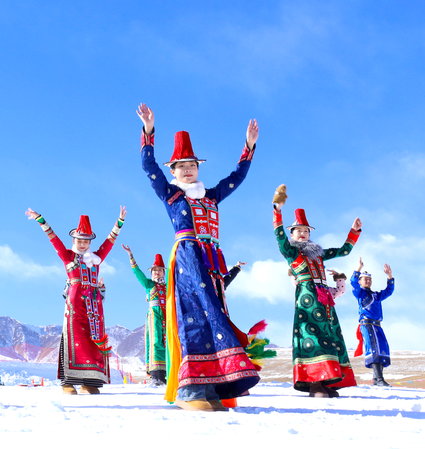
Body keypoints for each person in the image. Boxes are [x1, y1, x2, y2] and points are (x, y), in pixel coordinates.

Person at [137, 103, 260, 411]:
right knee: (194, 318)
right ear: (173, 170)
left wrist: (248, 147)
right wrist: (149, 132)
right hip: (187, 261)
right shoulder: (172, 195)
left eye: (192, 164)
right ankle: (191, 391)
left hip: (211, 262)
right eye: (181, 165)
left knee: (214, 318)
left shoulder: (212, 196)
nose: (188, 169)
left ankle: (215, 388)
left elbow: (237, 177)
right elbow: (148, 167)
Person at [26, 207, 126, 394]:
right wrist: (41, 220)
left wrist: (119, 222)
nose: (82, 244)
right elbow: (53, 240)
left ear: (89, 242)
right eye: (79, 240)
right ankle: (68, 382)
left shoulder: (96, 259)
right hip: (76, 303)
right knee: (74, 339)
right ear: (74, 240)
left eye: (86, 241)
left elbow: (109, 242)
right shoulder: (68, 256)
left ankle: (90, 382)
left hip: (94, 307)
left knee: (92, 340)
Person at [273, 202, 362, 398]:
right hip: (308, 298)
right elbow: (279, 238)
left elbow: (344, 251)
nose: (303, 233)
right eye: (298, 230)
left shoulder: (319, 254)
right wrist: (277, 213)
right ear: (292, 233)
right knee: (311, 337)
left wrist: (354, 232)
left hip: (324, 299)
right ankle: (313, 383)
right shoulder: (291, 252)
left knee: (330, 336)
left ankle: (327, 381)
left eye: (306, 230)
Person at [121, 244, 167, 386]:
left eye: (159, 270)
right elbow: (138, 273)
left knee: (167, 342)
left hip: (167, 316)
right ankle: (155, 374)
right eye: (154, 271)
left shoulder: (168, 286)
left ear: (164, 272)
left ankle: (166, 373)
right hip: (154, 315)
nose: (156, 273)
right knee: (156, 341)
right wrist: (131, 256)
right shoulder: (149, 284)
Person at [351, 257, 395, 386]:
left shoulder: (376, 295)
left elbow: (389, 291)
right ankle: (379, 379)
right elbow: (353, 282)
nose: (369, 281)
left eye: (370, 279)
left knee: (382, 349)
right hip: (367, 324)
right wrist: (358, 268)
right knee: (374, 348)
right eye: (366, 279)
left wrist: (390, 276)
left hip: (377, 325)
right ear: (360, 281)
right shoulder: (360, 293)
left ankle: (376, 379)